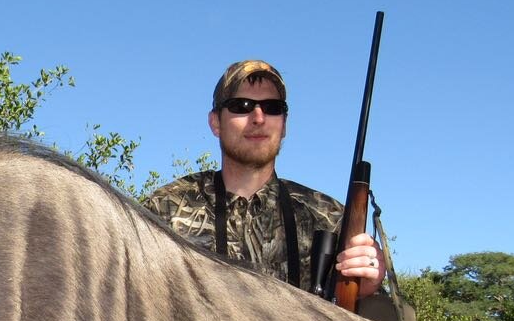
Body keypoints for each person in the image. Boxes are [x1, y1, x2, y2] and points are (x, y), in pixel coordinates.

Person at [145, 59, 386, 299]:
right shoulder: (164, 209)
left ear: (284, 126)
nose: (258, 117)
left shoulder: (329, 218)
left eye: (272, 107)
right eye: (242, 106)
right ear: (215, 122)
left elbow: (352, 314)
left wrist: (366, 285)